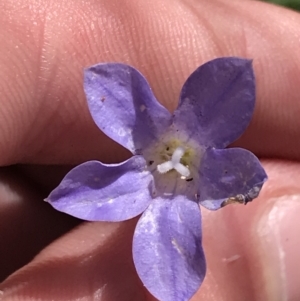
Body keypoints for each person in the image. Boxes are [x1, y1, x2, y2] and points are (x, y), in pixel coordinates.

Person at [0, 0, 299, 300]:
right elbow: (107, 89)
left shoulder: (234, 168)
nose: (175, 160)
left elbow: (232, 89)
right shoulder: (125, 98)